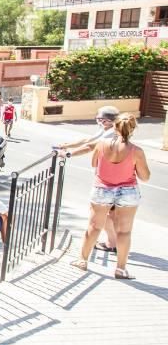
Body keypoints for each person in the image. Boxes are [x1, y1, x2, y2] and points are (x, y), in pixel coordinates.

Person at [72, 114, 150, 280]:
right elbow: (145, 177)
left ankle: (82, 260)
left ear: (115, 127)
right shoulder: (136, 151)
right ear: (132, 130)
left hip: (102, 188)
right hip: (128, 191)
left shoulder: (101, 145)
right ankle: (120, 270)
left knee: (94, 226)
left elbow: (94, 164)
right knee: (124, 232)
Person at [58, 106, 120, 252]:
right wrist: (68, 145)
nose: (96, 122)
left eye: (98, 119)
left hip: (108, 181)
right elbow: (88, 139)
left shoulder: (111, 135)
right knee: (109, 213)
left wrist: (68, 154)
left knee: (100, 213)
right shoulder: (109, 130)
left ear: (105, 121)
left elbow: (90, 146)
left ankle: (111, 244)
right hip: (116, 180)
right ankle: (113, 242)